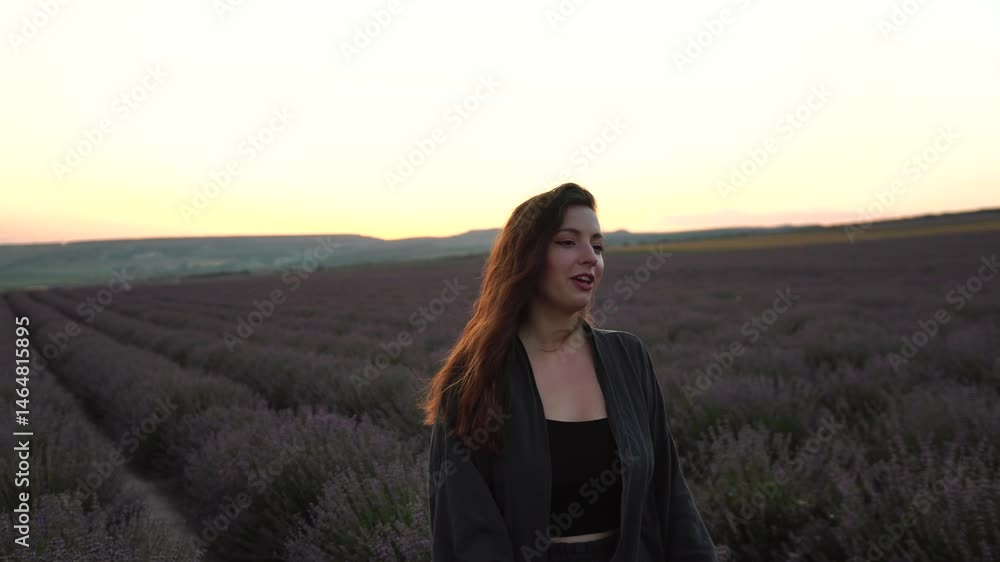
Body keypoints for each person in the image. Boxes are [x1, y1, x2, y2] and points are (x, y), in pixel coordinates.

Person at [421, 183, 719, 562]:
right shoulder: (476, 377)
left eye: (598, 246)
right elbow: (468, 532)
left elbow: (671, 495)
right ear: (526, 256)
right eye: (567, 242)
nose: (590, 258)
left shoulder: (628, 357)